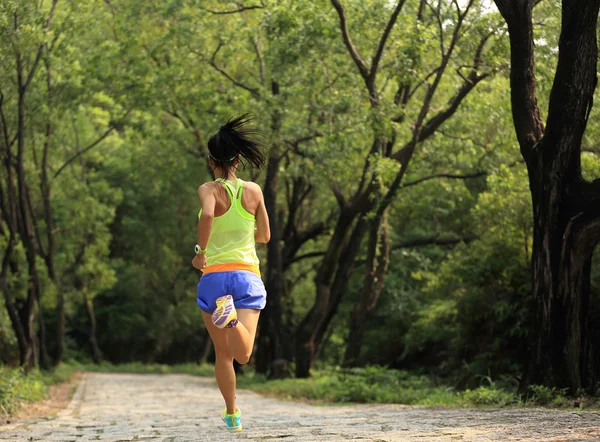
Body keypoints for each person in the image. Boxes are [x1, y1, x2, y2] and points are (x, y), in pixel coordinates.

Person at [192, 115, 270, 433]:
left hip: (213, 278)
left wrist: (200, 253)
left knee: (223, 355)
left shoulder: (208, 189)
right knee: (244, 354)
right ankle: (233, 318)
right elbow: (264, 236)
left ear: (211, 161)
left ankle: (232, 413)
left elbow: (209, 213)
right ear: (238, 159)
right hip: (246, 276)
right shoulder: (253, 191)